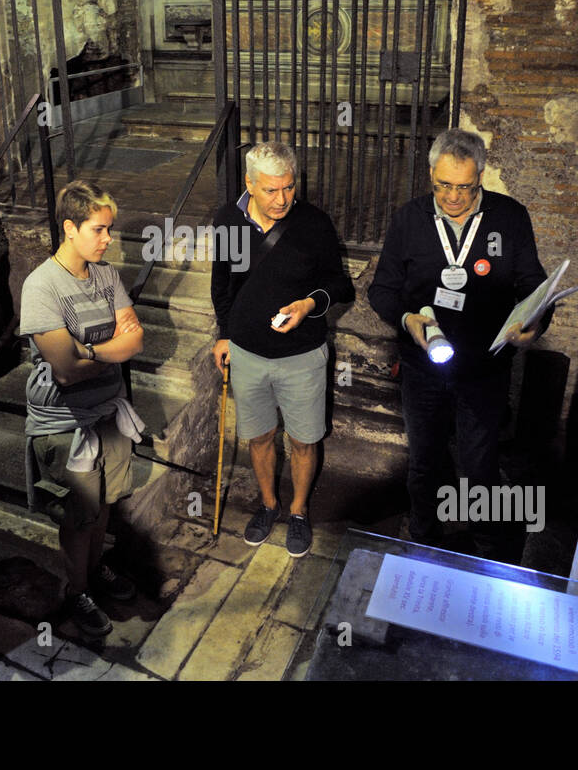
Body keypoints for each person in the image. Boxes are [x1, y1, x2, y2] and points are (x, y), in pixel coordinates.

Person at [367, 128, 551, 558]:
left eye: (464, 187)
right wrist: (406, 318)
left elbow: (533, 285)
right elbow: (382, 290)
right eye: (443, 185)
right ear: (431, 174)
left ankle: (487, 548)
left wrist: (535, 324)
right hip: (422, 365)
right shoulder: (409, 220)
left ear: (480, 177)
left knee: (480, 466)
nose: (452, 197)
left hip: (484, 369)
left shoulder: (509, 218)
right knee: (425, 460)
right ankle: (426, 540)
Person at [210, 142, 355, 558]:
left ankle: (297, 510)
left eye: (289, 188)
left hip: (302, 355)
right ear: (249, 185)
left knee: (304, 440)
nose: (282, 199)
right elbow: (223, 286)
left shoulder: (313, 224)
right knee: (259, 437)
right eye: (271, 190)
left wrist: (310, 304)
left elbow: (342, 285)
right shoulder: (229, 223)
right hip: (248, 354)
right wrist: (223, 334)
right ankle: (269, 504)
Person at [20, 181, 145, 639]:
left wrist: (89, 351)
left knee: (106, 503)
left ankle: (95, 574)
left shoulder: (107, 275)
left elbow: (135, 341)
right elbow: (65, 372)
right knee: (79, 515)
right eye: (99, 229)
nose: (107, 239)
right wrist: (103, 351)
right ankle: (76, 589)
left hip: (108, 412)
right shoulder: (41, 286)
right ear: (69, 228)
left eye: (109, 229)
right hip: (67, 421)